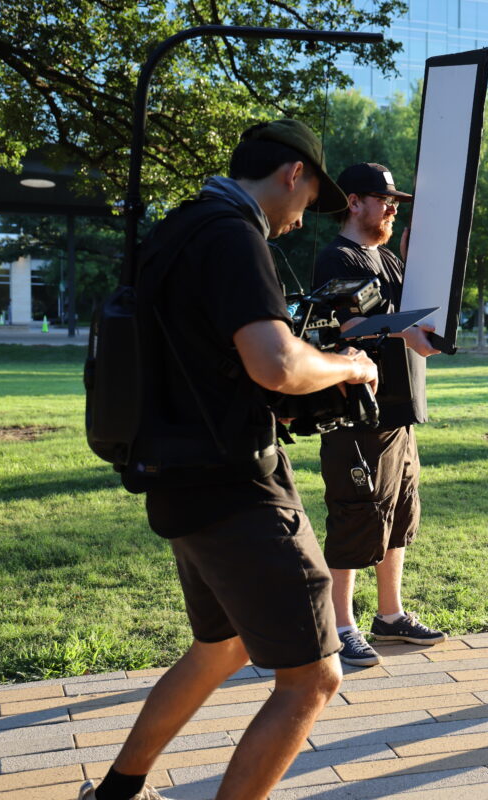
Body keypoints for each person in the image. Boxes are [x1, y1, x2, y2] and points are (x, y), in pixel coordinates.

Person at [78, 119, 378, 800]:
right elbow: (275, 364)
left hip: (177, 480)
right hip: (236, 488)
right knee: (313, 678)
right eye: (306, 201)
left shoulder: (175, 231)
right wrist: (348, 368)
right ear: (291, 174)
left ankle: (116, 794)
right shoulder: (233, 237)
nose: (302, 220)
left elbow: (206, 361)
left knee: (224, 646)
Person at [312, 163, 446, 668]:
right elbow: (348, 322)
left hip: (399, 412)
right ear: (354, 202)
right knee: (356, 513)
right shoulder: (337, 257)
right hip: (358, 413)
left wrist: (413, 263)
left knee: (400, 514)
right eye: (384, 199)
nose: (393, 208)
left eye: (395, 202)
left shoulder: (387, 258)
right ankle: (340, 625)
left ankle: (390, 616)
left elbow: (412, 306)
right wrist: (403, 332)